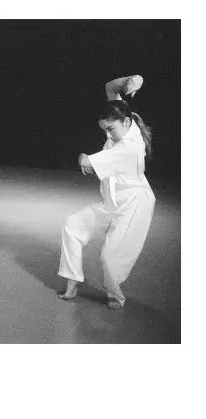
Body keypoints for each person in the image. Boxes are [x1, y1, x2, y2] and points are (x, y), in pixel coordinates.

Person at [58, 75, 155, 310]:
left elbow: (86, 162)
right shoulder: (124, 122)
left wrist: (85, 158)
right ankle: (73, 281)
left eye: (111, 129)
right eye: (105, 130)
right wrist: (135, 79)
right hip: (112, 200)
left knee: (110, 257)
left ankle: (115, 294)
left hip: (133, 205)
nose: (108, 135)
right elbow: (110, 87)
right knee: (72, 225)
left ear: (126, 121)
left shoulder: (129, 147)